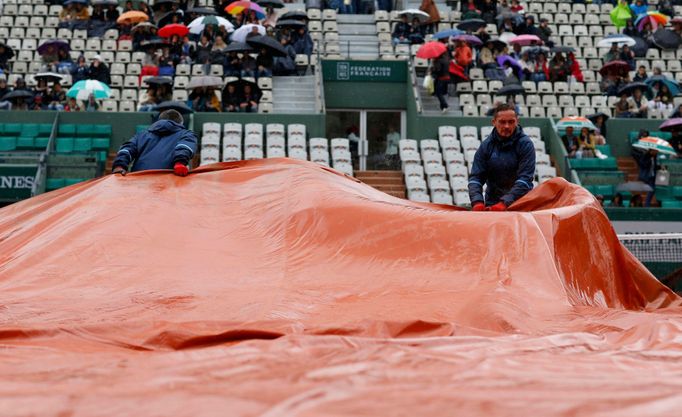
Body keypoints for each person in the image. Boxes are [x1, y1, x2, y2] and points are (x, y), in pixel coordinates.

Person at [468, 103, 536, 211]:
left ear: (517, 122)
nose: (507, 126)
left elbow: (525, 179)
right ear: (494, 122)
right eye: (502, 122)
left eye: (511, 122)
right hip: (493, 205)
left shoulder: (525, 144)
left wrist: (505, 202)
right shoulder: (486, 146)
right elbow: (476, 178)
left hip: (520, 206)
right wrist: (477, 202)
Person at [112, 109, 197, 177]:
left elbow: (127, 149)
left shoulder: (141, 135)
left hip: (139, 181)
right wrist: (180, 162)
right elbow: (185, 146)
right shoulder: (186, 133)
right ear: (180, 123)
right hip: (168, 181)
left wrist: (119, 165)